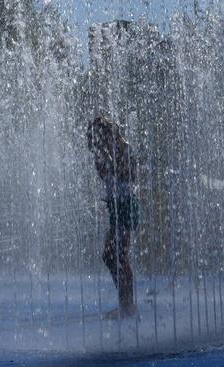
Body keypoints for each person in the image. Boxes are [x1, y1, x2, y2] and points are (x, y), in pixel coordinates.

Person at [87, 115, 139, 319]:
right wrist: (103, 158)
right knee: (112, 256)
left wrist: (109, 161)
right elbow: (104, 175)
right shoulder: (103, 153)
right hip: (116, 206)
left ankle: (128, 305)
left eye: (98, 137)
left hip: (126, 205)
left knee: (118, 254)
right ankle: (125, 303)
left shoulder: (124, 148)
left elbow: (128, 175)